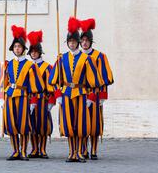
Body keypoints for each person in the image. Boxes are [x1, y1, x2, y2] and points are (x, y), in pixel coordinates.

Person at [48, 18, 104, 163]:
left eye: (74, 41)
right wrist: (58, 94)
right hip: (66, 94)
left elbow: (94, 81)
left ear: (78, 42)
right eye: (69, 42)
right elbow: (53, 80)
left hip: (80, 94)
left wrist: (91, 97)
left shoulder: (86, 59)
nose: (72, 44)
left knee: (80, 125)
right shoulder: (61, 58)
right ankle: (71, 153)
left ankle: (79, 152)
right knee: (69, 125)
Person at [2, 25, 45, 161]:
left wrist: (33, 102)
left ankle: (23, 151)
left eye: (19, 47)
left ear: (23, 49)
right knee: (12, 124)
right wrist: (2, 98)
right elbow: (4, 82)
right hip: (10, 96)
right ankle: (15, 151)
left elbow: (35, 86)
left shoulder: (30, 65)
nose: (17, 49)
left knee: (23, 125)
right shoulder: (8, 64)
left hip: (23, 96)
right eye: (15, 47)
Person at [79, 18, 114, 160]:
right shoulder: (77, 56)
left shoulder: (100, 56)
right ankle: (82, 150)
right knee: (81, 123)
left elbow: (105, 78)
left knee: (94, 124)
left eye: (87, 40)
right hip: (80, 94)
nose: (85, 43)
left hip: (95, 94)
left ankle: (93, 150)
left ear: (91, 41)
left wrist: (103, 97)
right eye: (83, 40)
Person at [27, 31, 55, 159]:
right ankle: (34, 149)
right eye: (31, 51)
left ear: (39, 52)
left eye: (35, 51)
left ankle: (42, 149)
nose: (33, 53)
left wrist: (51, 101)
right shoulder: (26, 66)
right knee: (31, 125)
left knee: (43, 125)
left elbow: (52, 85)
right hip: (29, 99)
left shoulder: (47, 67)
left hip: (43, 99)